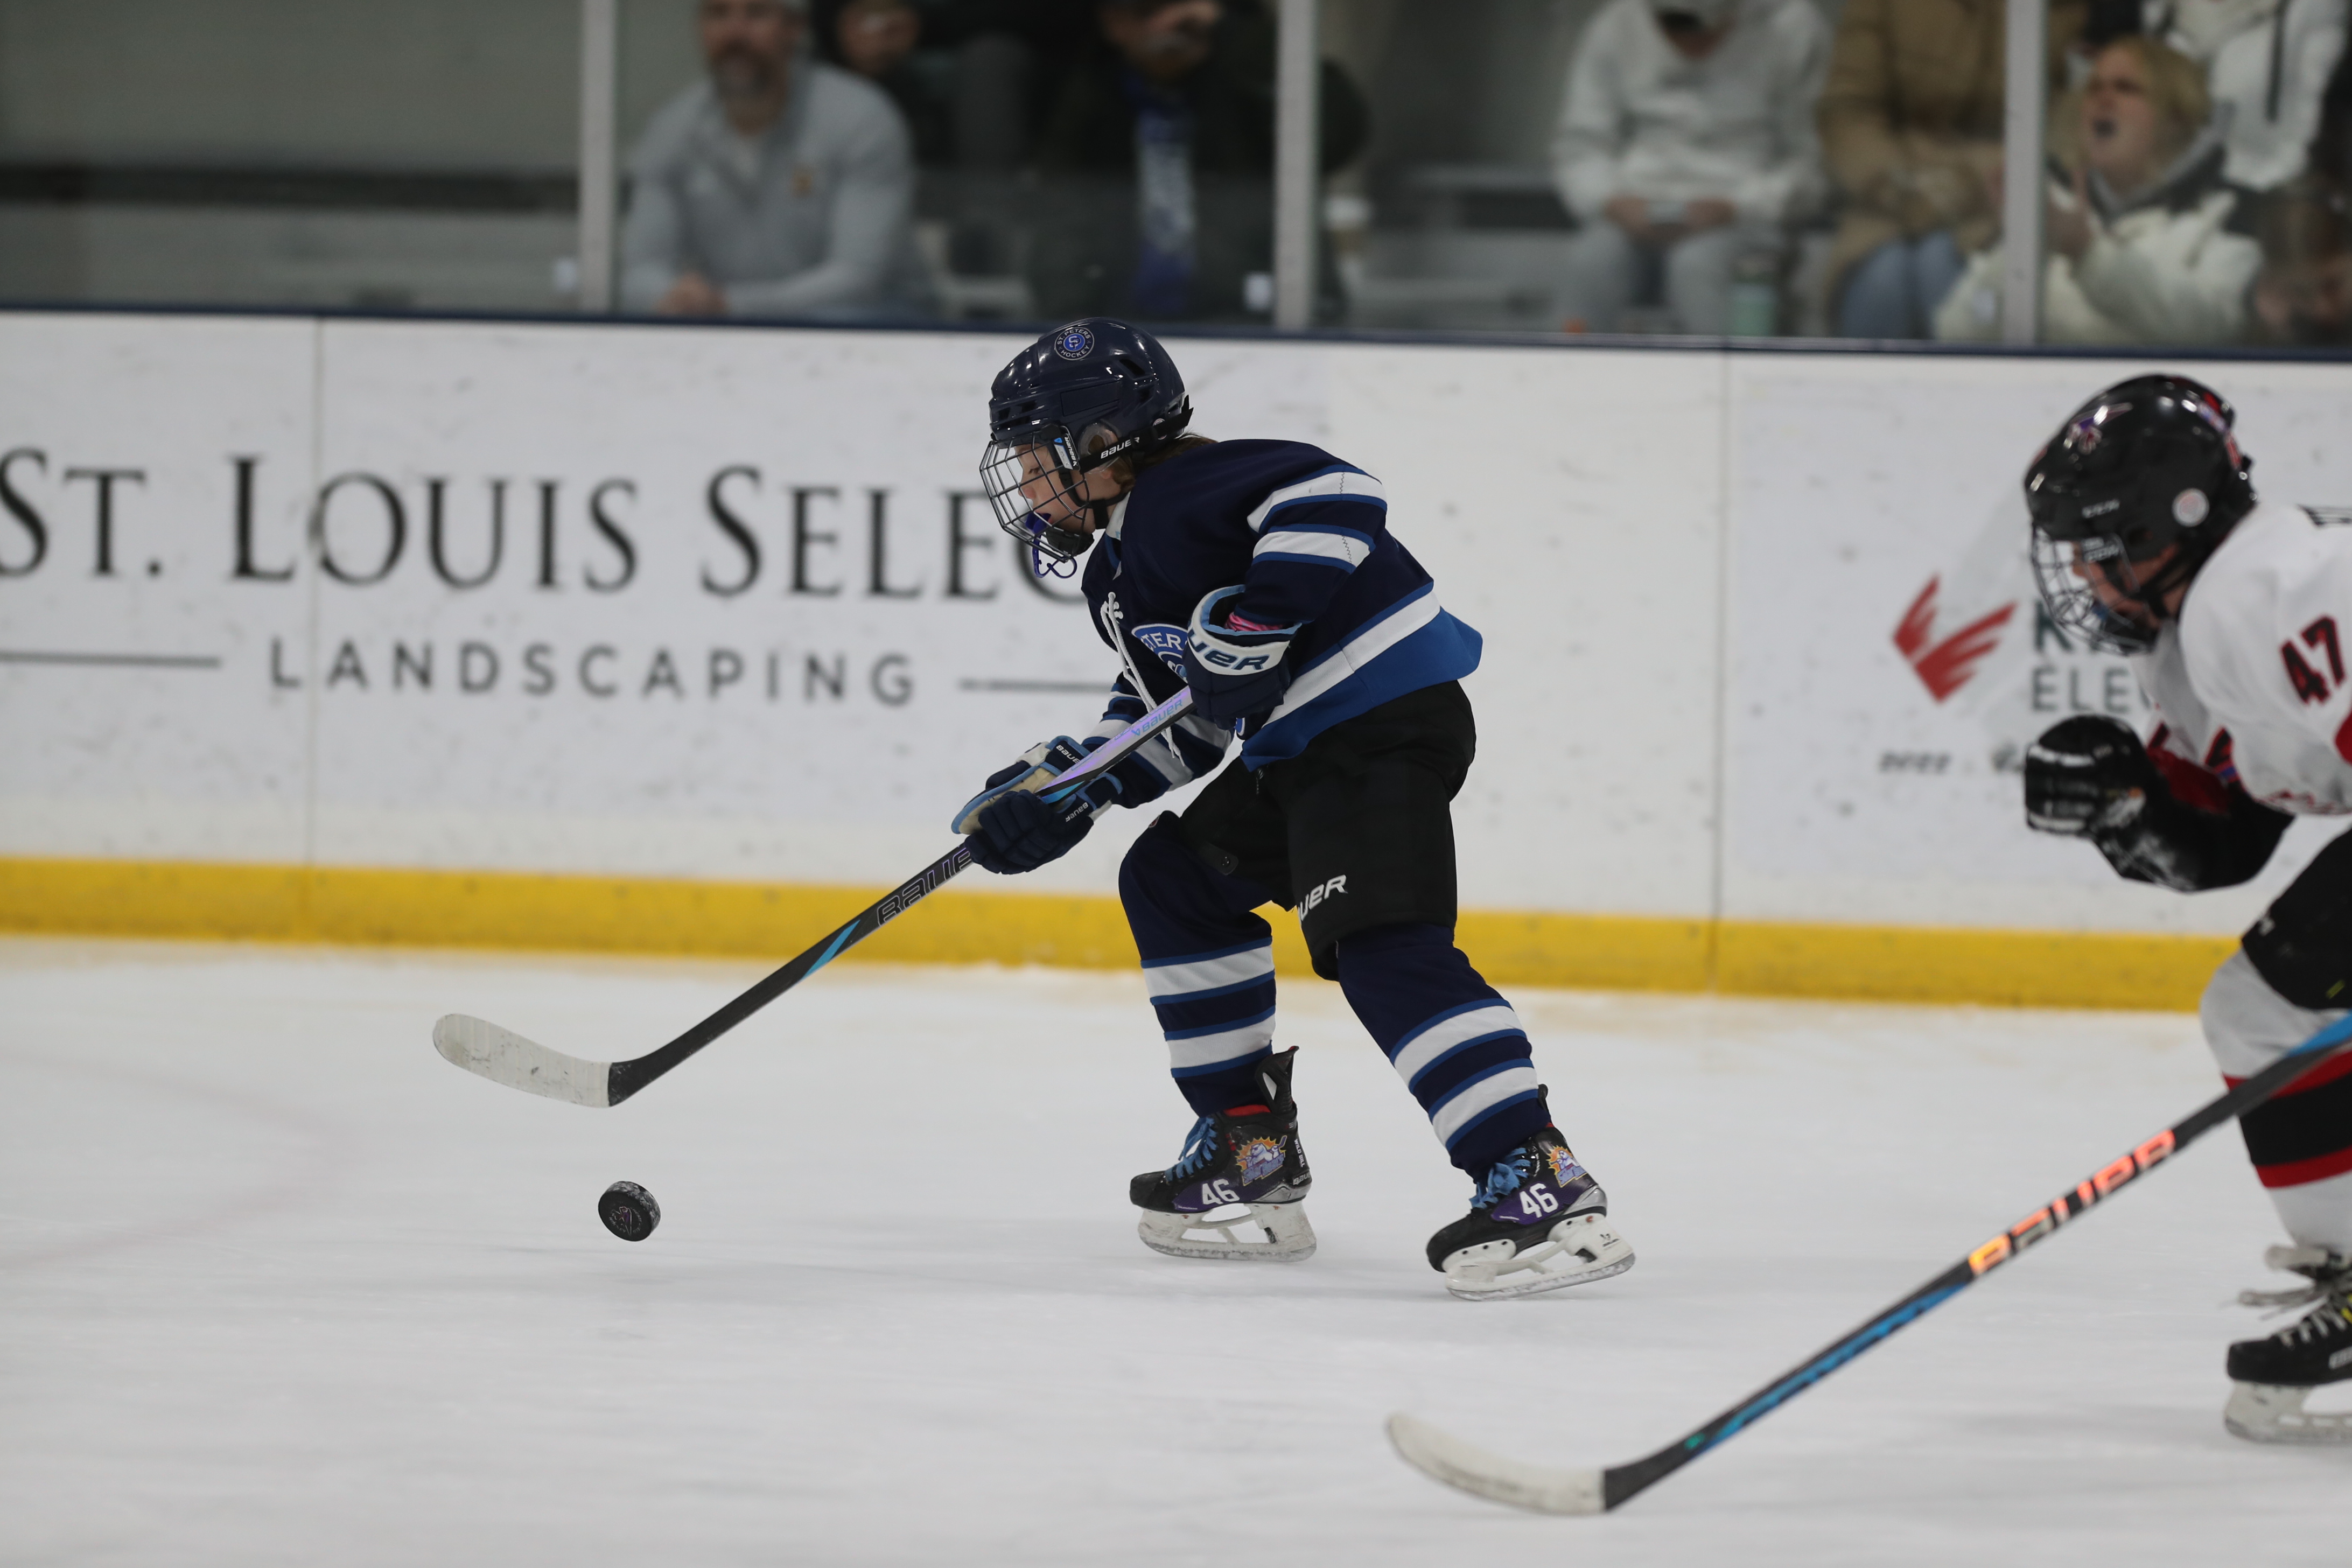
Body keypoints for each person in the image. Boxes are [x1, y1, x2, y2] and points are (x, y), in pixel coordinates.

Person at [956, 317, 1636, 1299]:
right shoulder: (1116, 571)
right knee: (1175, 882)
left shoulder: (1194, 485)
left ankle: (1536, 1176)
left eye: (1038, 459)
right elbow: (1183, 723)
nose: (1028, 486)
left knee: (1379, 943)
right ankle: (1250, 1147)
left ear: (1104, 443)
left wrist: (1261, 617)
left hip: (1377, 725)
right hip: (1301, 753)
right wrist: (1068, 787)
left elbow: (1337, 494)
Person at [2021, 374, 2352, 1444]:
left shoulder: (2274, 588)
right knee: (2258, 1010)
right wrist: (2129, 803)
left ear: (2176, 522)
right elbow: (2226, 842)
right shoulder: (2195, 640)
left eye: (2103, 549)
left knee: (2271, 1003)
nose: (2086, 577)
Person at [1028, 1, 1369, 321]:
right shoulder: (1084, 97)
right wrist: (1078, 326)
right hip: (1119, 329)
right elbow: (1057, 226)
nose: (1168, 26)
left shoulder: (1252, 85)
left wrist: (1234, 34)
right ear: (1113, 22)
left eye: (1184, 15)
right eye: (1147, 10)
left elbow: (1335, 137)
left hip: (1256, 324)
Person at [1933, 34, 2260, 342]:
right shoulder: (2054, 210)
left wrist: (2087, 253)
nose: (2103, 99)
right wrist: (2021, 251)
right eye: (2094, 88)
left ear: (2177, 116)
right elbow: (1961, 326)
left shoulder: (2229, 217)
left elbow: (2212, 327)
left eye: (2126, 88)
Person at [621, 0, 925, 319]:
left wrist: (729, 304)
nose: (734, 33)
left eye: (757, 13)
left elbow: (858, 276)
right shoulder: (671, 129)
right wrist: (674, 296)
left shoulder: (860, 118)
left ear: (795, 28)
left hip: (880, 328)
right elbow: (640, 269)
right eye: (718, 14)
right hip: (730, 327)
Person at [1549, 0, 1829, 335]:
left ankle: (1726, 370)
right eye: (1668, 23)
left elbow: (1810, 159)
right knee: (1592, 262)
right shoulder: (1617, 23)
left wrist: (1738, 207)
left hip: (1745, 211)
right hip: (1636, 206)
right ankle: (1569, 366)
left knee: (1697, 266)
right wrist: (1612, 202)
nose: (1685, 41)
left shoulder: (1792, 26)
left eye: (1697, 24)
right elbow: (1581, 145)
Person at [1818, 0, 2088, 339]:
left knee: (1945, 274)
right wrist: (1897, 184)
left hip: (1999, 206)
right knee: (1883, 283)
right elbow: (1848, 111)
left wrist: (1969, 177)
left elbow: (2066, 122)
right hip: (1890, 205)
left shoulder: (2057, 9)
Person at [2148, 0, 2348, 192]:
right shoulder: (2157, 12)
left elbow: (2307, 125)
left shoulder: (2315, 10)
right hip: (2152, 183)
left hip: (2257, 187)